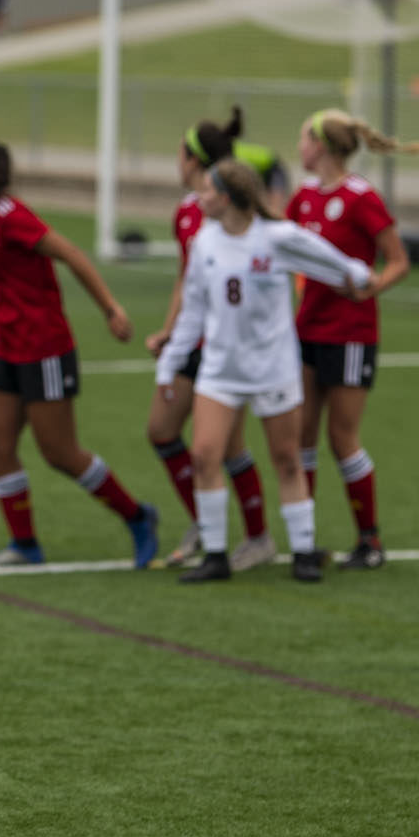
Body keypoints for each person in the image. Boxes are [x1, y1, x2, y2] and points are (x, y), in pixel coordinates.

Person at [155, 159, 372, 585]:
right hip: (220, 369)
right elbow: (194, 310)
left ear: (229, 197)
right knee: (204, 455)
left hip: (272, 368)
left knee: (287, 460)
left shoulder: (277, 237)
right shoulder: (205, 242)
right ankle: (215, 555)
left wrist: (354, 273)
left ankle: (304, 551)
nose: (200, 197)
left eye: (208, 191)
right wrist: (170, 362)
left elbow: (327, 260)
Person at [0, 137, 157, 568]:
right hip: (8, 345)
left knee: (61, 454)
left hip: (43, 349)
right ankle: (25, 545)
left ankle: (138, 517)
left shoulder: (12, 218)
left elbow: (73, 256)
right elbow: (21, 276)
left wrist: (110, 309)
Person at [290, 110, 419, 571]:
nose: (299, 148)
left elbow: (398, 262)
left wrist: (371, 286)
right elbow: (285, 248)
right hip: (306, 330)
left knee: (341, 436)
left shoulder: (359, 197)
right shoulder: (304, 197)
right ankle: (304, 539)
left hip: (350, 334)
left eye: (304, 139)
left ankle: (369, 541)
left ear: (322, 147)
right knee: (300, 435)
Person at [146, 111, 279, 571]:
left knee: (230, 446)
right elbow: (188, 279)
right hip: (193, 338)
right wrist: (169, 332)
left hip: (226, 341)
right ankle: (206, 523)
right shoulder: (187, 212)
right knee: (162, 431)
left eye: (180, 153)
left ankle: (258, 538)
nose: (176, 161)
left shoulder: (225, 211)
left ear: (193, 160)